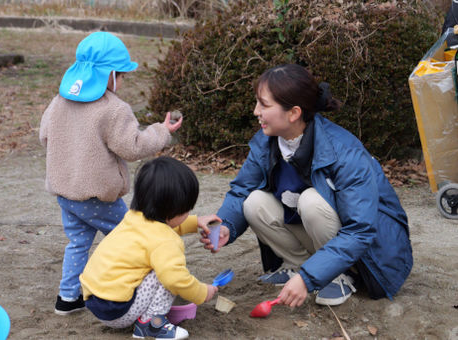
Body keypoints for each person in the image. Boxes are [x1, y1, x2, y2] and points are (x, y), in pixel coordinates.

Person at [200, 64, 413, 307]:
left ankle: (340, 274)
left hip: (371, 251)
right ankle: (301, 266)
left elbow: (360, 230)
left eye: (264, 104)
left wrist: (308, 279)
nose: (255, 111)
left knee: (311, 200)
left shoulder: (344, 151)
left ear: (293, 113)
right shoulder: (267, 141)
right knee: (254, 202)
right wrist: (226, 225)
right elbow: (242, 190)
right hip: (323, 233)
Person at [39, 31, 182, 315]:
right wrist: (162, 131)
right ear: (110, 74)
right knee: (133, 236)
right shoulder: (113, 110)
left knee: (78, 242)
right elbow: (133, 147)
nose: (122, 82)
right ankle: (139, 289)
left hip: (65, 193)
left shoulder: (60, 101)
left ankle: (67, 298)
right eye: (122, 75)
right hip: (96, 196)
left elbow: (45, 136)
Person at [79, 156, 219, 339]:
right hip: (117, 310)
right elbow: (176, 280)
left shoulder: (133, 218)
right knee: (167, 274)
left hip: (93, 299)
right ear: (174, 210)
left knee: (156, 263)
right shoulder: (166, 241)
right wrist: (202, 292)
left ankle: (145, 319)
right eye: (187, 210)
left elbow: (162, 225)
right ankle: (152, 324)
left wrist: (195, 223)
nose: (189, 214)